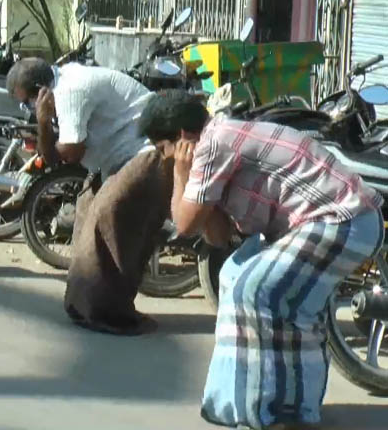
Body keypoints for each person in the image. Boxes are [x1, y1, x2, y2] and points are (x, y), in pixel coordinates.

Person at [140, 90, 383, 430]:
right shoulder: (217, 142)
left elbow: (183, 223)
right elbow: (217, 236)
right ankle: (291, 405)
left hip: (342, 219)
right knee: (235, 278)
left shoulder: (214, 142)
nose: (163, 158)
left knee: (254, 292)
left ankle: (266, 411)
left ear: (180, 137)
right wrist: (205, 201)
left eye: (162, 149)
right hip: (333, 222)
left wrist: (181, 174)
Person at [7, 57, 166, 335]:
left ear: (40, 91)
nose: (29, 109)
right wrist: (44, 122)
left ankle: (112, 312)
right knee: (85, 208)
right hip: (114, 159)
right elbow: (51, 157)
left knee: (108, 214)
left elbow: (67, 154)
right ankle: (83, 304)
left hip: (145, 149)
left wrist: (43, 121)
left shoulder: (70, 91)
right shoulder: (59, 87)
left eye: (28, 102)